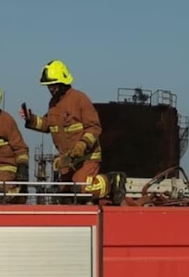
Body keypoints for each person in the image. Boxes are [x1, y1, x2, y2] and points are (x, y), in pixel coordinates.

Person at [19, 60, 124, 204]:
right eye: (49, 86)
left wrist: (82, 145)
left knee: (81, 189)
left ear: (63, 82)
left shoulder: (79, 99)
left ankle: (112, 181)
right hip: (67, 161)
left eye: (54, 85)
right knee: (65, 197)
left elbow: (94, 127)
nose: (51, 89)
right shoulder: (53, 104)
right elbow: (48, 125)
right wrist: (31, 119)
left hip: (87, 158)